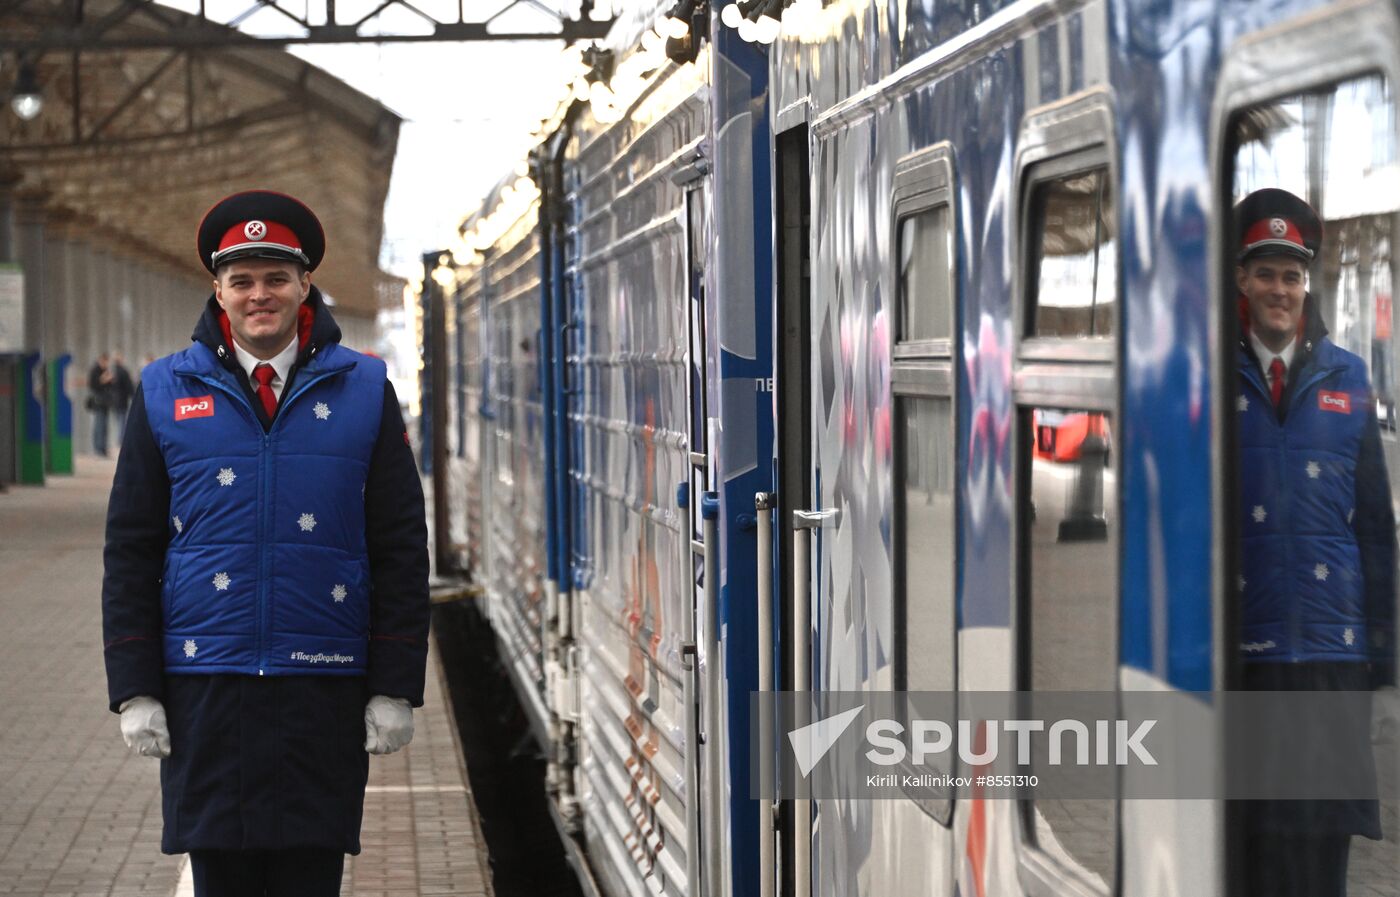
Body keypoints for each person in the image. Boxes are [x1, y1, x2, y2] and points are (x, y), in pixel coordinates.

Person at [101, 190, 430, 897]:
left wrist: (394, 686)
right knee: (221, 881)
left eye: (276, 277)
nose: (260, 295)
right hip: (205, 691)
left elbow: (401, 543)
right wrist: (134, 690)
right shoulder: (163, 390)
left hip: (321, 686)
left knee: (310, 881)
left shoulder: (366, 389)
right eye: (242, 279)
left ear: (305, 282)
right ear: (217, 289)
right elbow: (130, 545)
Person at [1235, 188, 1397, 897]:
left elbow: (1377, 532)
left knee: (1321, 863)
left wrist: (1386, 667)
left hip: (1333, 666)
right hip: (1247, 665)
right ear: (1242, 278)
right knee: (1250, 853)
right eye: (1266, 271)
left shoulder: (1349, 379)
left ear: (1308, 284)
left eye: (1292, 274)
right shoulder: (1208, 379)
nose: (1280, 289)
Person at [87, 353, 114, 456]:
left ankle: (103, 448)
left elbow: (111, 386)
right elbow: (93, 385)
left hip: (106, 402)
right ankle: (97, 448)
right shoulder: (95, 370)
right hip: (98, 402)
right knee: (99, 425)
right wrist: (103, 380)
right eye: (104, 361)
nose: (106, 364)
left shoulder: (105, 371)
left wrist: (110, 380)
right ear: (100, 360)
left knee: (105, 426)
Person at [110, 353, 135, 442]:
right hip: (122, 399)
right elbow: (128, 386)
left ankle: (119, 439)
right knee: (122, 420)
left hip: (113, 399)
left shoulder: (111, 372)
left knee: (118, 420)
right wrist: (133, 396)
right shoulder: (123, 371)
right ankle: (121, 440)